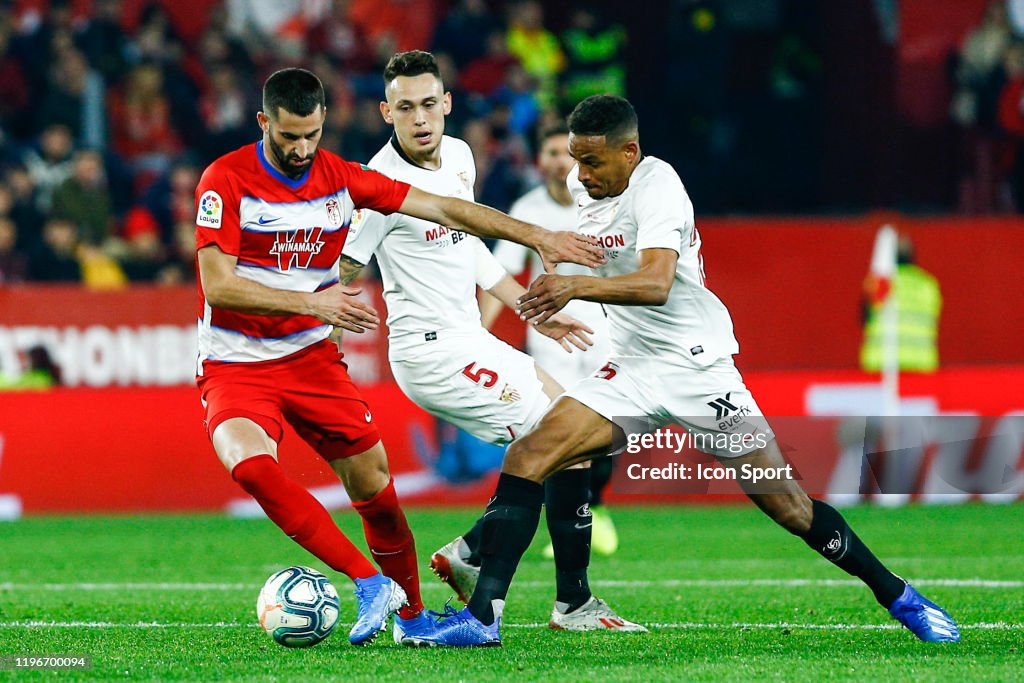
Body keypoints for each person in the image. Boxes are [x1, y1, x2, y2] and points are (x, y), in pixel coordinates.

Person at [419, 95, 961, 647]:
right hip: (630, 369)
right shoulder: (588, 190)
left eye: (592, 162)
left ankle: (900, 596)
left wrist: (574, 284)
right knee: (530, 454)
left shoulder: (658, 186)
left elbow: (655, 284)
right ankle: (485, 615)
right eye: (576, 161)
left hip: (699, 371)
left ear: (629, 151)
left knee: (789, 506)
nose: (580, 175)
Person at [194, 68, 603, 647]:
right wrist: (317, 305)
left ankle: (415, 615)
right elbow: (219, 285)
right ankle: (377, 582)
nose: (302, 149)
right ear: (264, 123)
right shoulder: (225, 180)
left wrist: (536, 238)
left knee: (375, 489)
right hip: (239, 363)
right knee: (250, 464)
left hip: (313, 361)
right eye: (289, 137)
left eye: (312, 135)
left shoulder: (348, 177)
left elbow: (455, 217)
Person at [339, 51, 643, 638]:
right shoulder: (378, 185)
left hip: (469, 339)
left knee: (572, 438)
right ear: (386, 112)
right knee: (561, 434)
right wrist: (316, 342)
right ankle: (505, 598)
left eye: (430, 103)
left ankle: (510, 571)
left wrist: (533, 306)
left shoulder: (458, 155)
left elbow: (471, 246)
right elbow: (343, 271)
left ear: (447, 103)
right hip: (429, 351)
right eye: (406, 108)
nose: (421, 118)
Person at [480, 123, 619, 557]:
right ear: (541, 161)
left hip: (604, 328)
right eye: (552, 152)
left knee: (607, 425)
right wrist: (480, 333)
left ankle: (596, 508)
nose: (561, 160)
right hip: (550, 333)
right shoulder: (527, 208)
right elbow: (498, 273)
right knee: (557, 424)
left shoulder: (604, 203)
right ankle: (568, 517)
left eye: (567, 152)